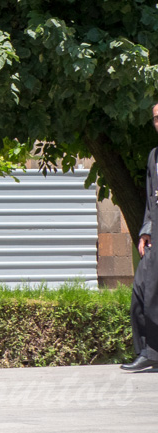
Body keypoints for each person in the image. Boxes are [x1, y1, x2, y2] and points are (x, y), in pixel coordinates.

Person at [123, 102, 158, 371]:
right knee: (142, 291)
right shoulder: (153, 156)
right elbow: (149, 200)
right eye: (156, 119)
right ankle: (149, 352)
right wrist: (145, 231)